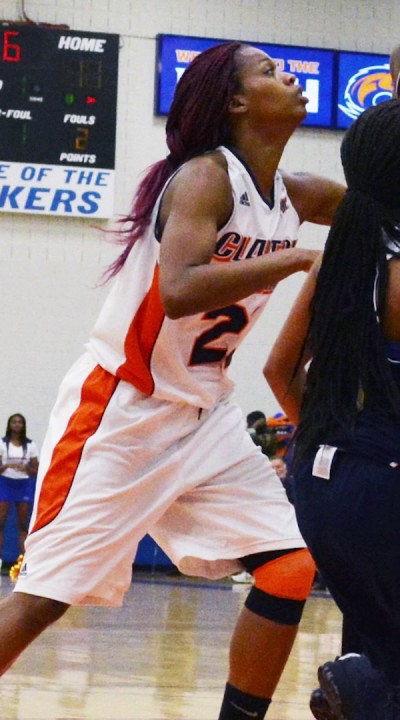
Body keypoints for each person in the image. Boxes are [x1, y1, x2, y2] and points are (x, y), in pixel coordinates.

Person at [0, 43, 344, 720]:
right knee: (44, 599)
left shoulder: (301, 193)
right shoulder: (205, 179)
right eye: (268, 71)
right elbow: (178, 290)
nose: (289, 76)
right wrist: (291, 261)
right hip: (120, 412)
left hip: (207, 416)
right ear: (235, 102)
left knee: (291, 565)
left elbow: (379, 216)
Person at [264, 100, 400, 720]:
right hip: (379, 483)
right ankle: (360, 695)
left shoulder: (341, 259)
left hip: (321, 482)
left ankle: (356, 689)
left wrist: (332, 443)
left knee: (377, 644)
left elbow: (279, 371)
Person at [0, 413, 38, 574]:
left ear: (24, 425)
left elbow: (36, 470)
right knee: (0, 522)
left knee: (23, 525)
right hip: (5, 484)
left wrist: (26, 468)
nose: (17, 425)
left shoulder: (30, 445)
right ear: (9, 425)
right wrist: (7, 465)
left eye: (20, 422)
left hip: (22, 485)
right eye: (14, 422)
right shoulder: (1, 443)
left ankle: (25, 561)